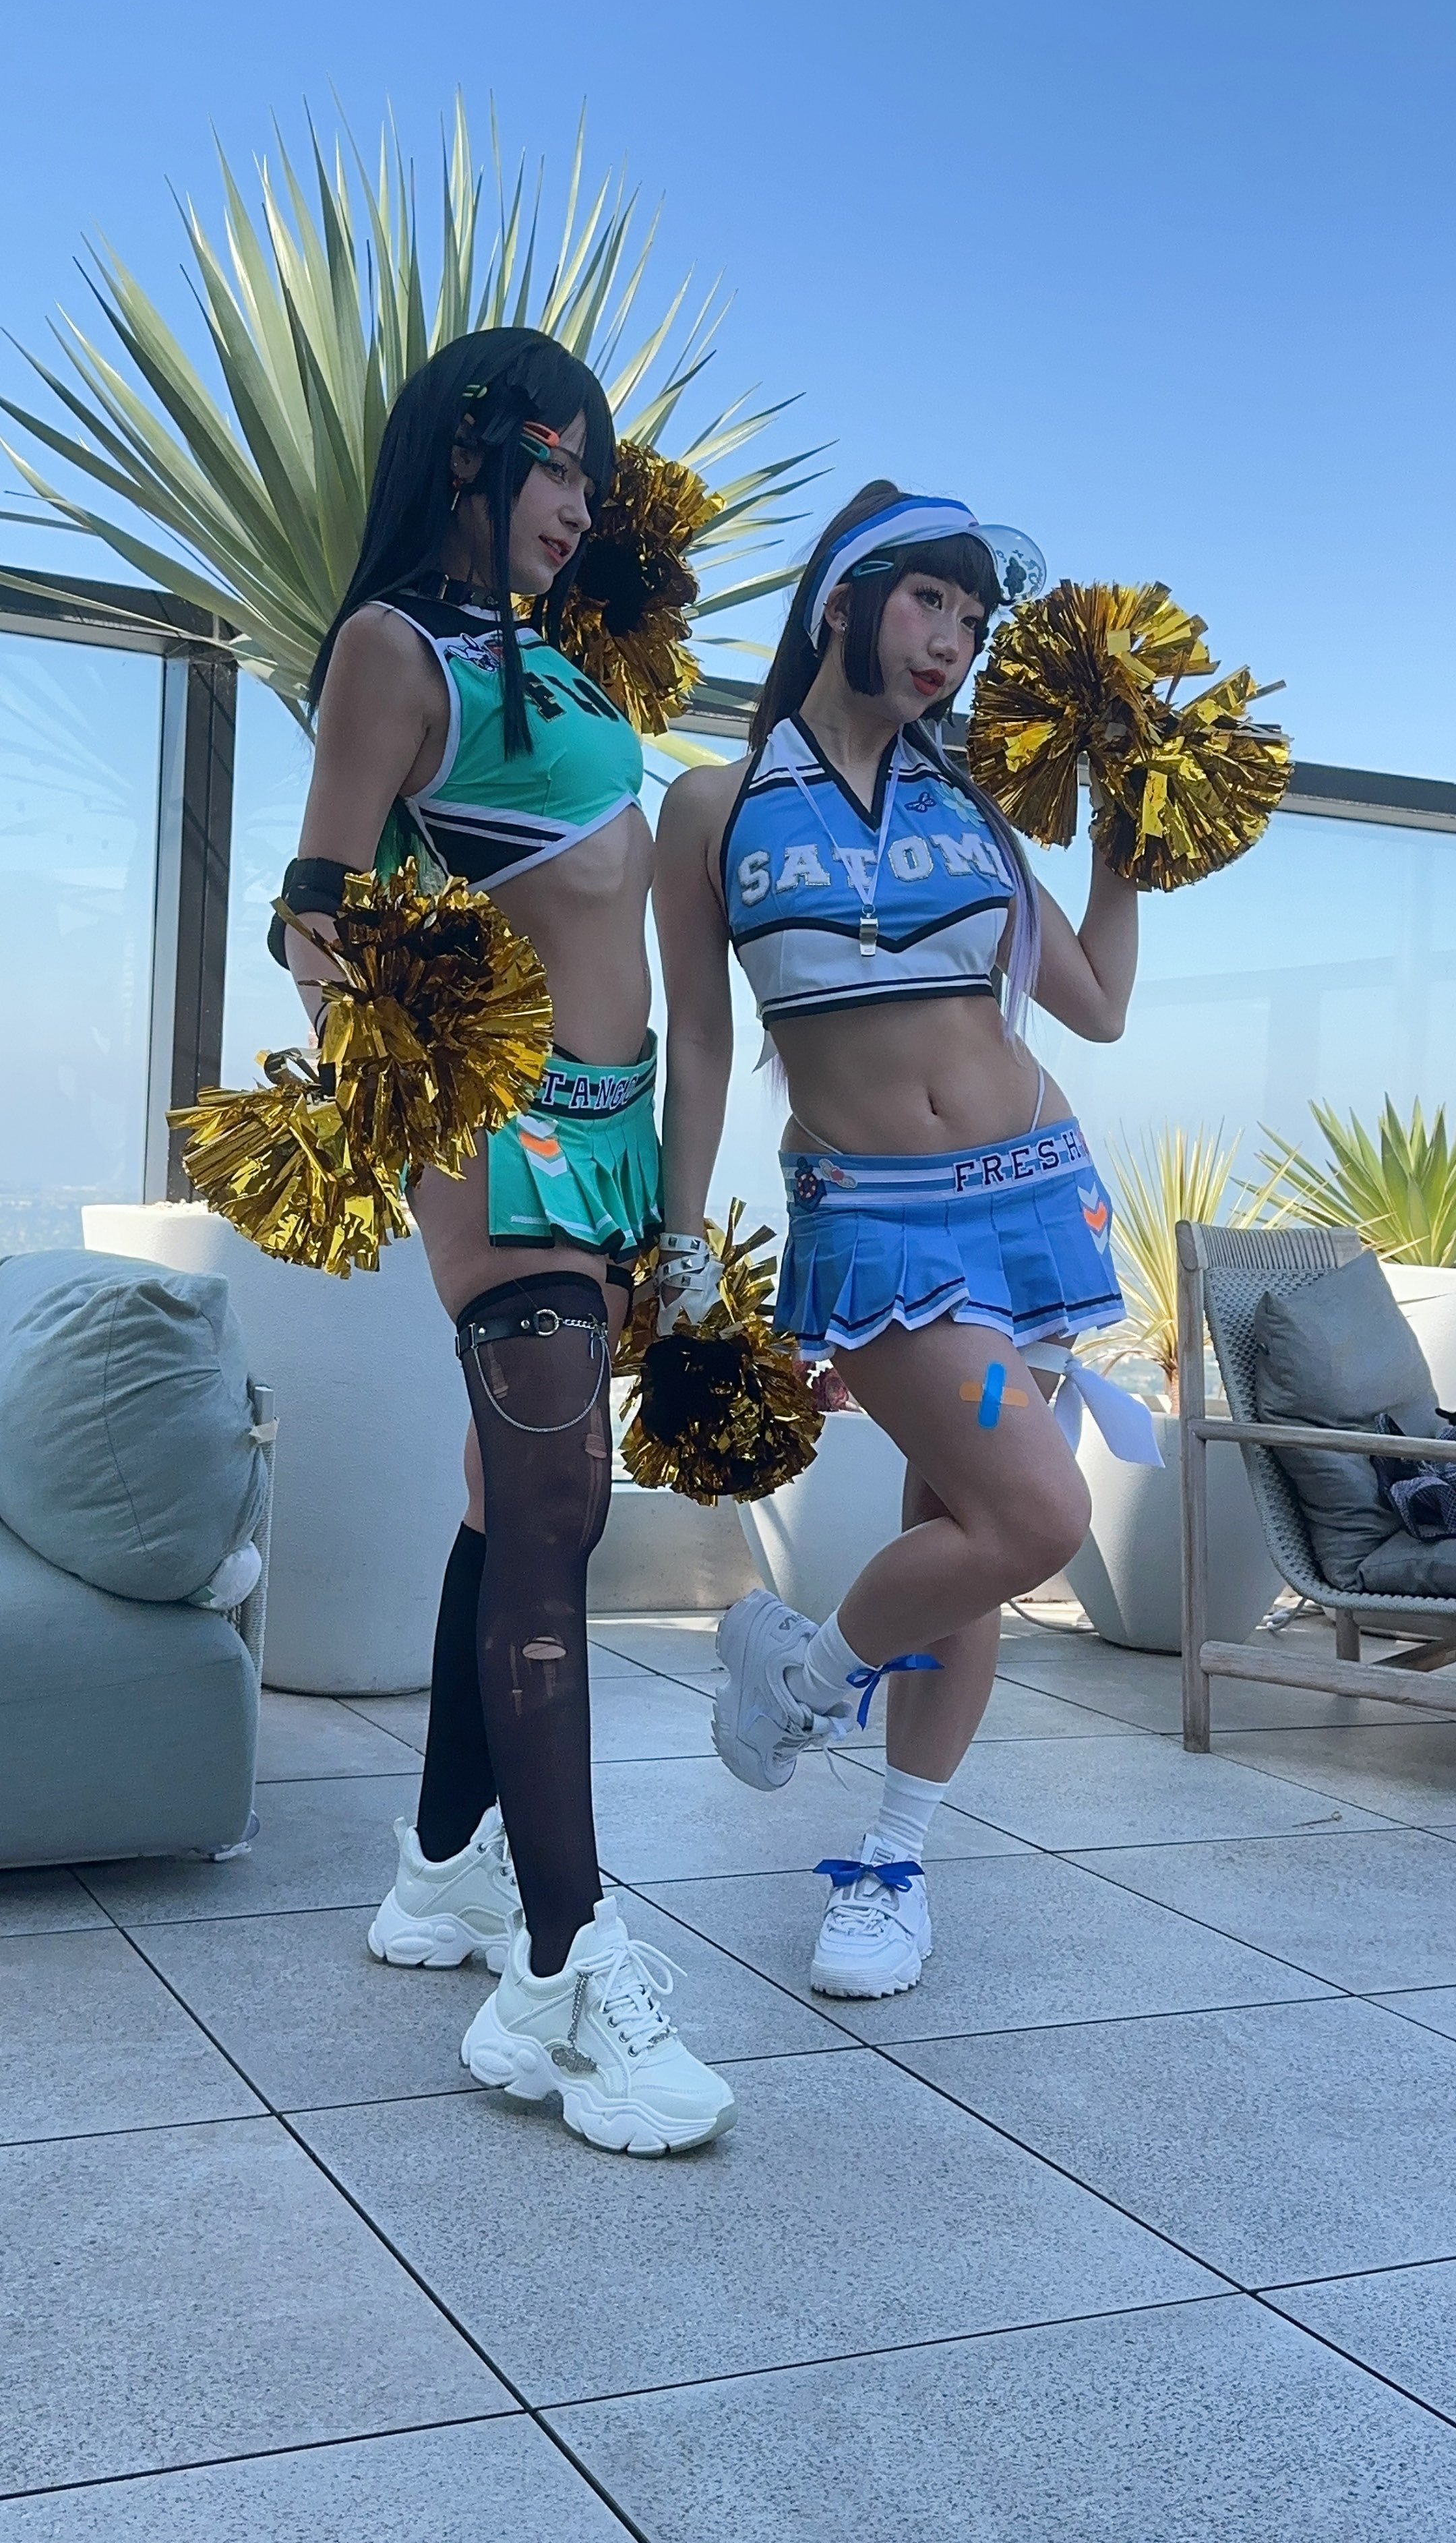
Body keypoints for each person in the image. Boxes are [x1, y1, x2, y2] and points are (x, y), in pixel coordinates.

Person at [278, 328, 734, 2153]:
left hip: (615, 1147)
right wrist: (396, 1072)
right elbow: (314, 915)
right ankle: (569, 1978)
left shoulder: (561, 664)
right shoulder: (393, 653)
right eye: (556, 470)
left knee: (504, 1501)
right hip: (501, 1133)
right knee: (560, 1518)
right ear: (473, 454)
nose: (573, 509)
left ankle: (445, 1867)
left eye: (590, 484)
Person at [653, 479, 1145, 2002]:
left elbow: (1098, 1005)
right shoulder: (710, 810)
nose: (956, 643)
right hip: (878, 1228)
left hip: (1037, 1203)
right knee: (1036, 1518)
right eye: (931, 602)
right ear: (846, 601)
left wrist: (1128, 841)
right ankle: (798, 1686)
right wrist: (680, 1250)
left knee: (971, 1541)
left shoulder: (977, 812)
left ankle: (889, 1864)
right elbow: (705, 1050)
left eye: (977, 621)